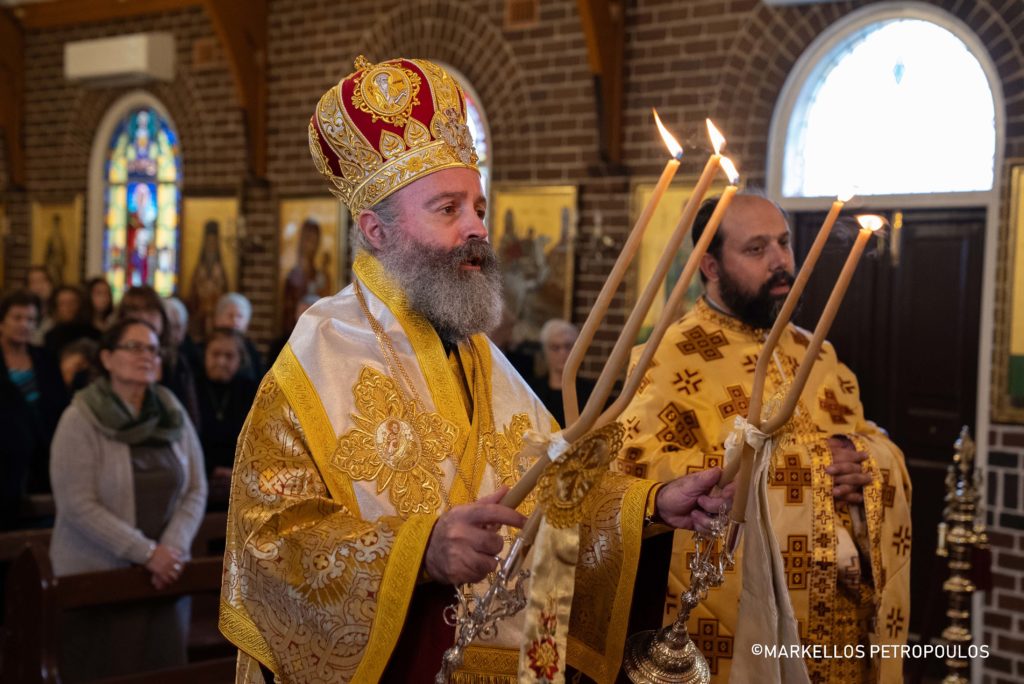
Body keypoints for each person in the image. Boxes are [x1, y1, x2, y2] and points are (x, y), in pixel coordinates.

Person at [219, 56, 733, 684]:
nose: (477, 229)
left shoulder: (474, 349)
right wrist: (421, 552)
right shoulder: (317, 359)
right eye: (447, 208)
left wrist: (653, 505)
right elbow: (267, 543)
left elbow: (552, 491)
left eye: (478, 205)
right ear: (375, 230)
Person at [616, 193, 912, 683]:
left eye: (783, 243)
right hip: (738, 633)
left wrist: (867, 463)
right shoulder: (665, 360)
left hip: (841, 634)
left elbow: (867, 440)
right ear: (710, 265)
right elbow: (646, 476)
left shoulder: (815, 353)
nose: (780, 262)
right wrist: (815, 467)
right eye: (756, 250)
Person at [49, 317, 207, 681]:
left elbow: (195, 488)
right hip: (98, 579)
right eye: (134, 347)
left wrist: (171, 550)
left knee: (160, 668)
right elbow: (77, 504)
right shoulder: (80, 418)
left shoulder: (171, 409)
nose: (146, 356)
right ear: (106, 358)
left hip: (163, 580)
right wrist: (147, 554)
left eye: (153, 348)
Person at [0, 290, 69, 525]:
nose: (24, 325)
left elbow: (60, 404)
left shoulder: (45, 358)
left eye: (30, 319)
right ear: (2, 322)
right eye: (17, 318)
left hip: (43, 451)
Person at [119, 286, 200, 428]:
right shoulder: (115, 355)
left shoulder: (176, 361)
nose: (143, 318)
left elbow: (188, 414)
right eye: (135, 311)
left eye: (150, 311)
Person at [195, 327, 257, 509]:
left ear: (240, 360)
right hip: (199, 476)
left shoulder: (251, 391)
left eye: (229, 356)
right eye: (215, 354)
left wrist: (236, 472)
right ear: (205, 355)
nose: (221, 361)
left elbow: (257, 441)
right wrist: (210, 469)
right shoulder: (193, 388)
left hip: (242, 480)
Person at [528, 318, 597, 428]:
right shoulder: (531, 391)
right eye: (555, 348)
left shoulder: (593, 393)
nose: (562, 353)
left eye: (568, 347)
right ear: (545, 350)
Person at [281, 218, 332, 334]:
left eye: (314, 241)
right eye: (308, 240)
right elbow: (287, 310)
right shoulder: (292, 276)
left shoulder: (323, 275)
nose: (310, 246)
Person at [188, 220, 229, 340]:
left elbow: (224, 290)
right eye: (208, 242)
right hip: (200, 312)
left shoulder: (220, 268)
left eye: (213, 243)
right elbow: (194, 291)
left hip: (216, 310)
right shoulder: (199, 268)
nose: (211, 246)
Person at [212, 292, 263, 381]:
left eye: (240, 317)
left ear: (247, 322)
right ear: (218, 318)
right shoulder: (206, 345)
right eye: (230, 315)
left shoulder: (251, 350)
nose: (235, 321)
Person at [44, 285, 101, 356]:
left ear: (81, 305)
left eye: (72, 302)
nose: (68, 307)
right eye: (62, 303)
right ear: (56, 307)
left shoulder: (94, 334)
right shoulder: (51, 337)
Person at [25, 266, 54, 345]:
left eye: (43, 281)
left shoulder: (57, 311)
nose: (39, 286)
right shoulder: (23, 312)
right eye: (33, 282)